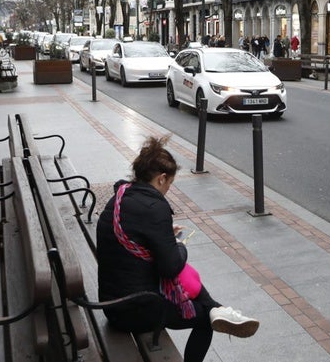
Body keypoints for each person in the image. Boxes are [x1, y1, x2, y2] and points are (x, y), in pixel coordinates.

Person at [97, 136, 259, 362]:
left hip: (112, 302)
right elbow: (170, 268)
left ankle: (218, 308)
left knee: (201, 301)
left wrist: (163, 236)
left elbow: (136, 235)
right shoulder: (155, 207)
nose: (168, 190)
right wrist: (179, 245)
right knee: (205, 320)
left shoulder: (119, 197)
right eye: (170, 185)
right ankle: (217, 310)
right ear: (162, 179)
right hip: (134, 310)